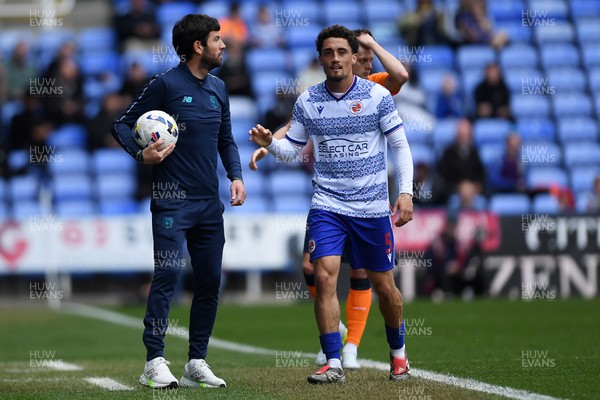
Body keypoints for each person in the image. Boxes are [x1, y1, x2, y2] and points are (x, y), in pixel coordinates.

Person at [249, 24, 414, 384]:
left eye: (342, 52)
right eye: (328, 53)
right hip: (328, 204)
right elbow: (291, 151)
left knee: (384, 287)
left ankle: (398, 355)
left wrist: (405, 192)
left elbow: (400, 147)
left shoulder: (377, 96)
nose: (336, 58)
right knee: (323, 275)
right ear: (321, 58)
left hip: (371, 207)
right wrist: (270, 143)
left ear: (354, 57)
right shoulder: (308, 101)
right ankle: (333, 360)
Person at [112, 14, 246, 389]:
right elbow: (120, 124)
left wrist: (235, 176)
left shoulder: (219, 87)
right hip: (171, 203)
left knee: (209, 281)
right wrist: (143, 156)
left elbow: (226, 139)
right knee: (168, 275)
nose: (224, 45)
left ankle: (196, 362)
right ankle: (154, 360)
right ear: (198, 46)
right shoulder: (165, 84)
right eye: (217, 39)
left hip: (209, 203)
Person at [437, 119, 486, 192]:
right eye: (461, 136)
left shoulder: (475, 152)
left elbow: (481, 174)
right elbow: (443, 176)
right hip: (453, 191)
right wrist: (459, 187)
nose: (463, 139)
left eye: (466, 136)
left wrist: (474, 186)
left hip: (472, 191)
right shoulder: (448, 153)